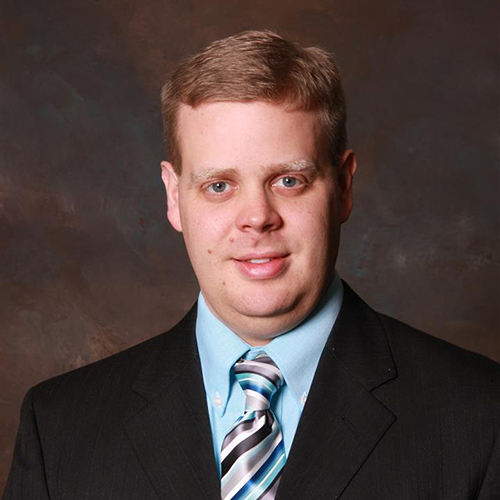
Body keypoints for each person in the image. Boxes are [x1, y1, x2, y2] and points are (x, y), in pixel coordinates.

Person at [3, 30, 499, 500]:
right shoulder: (60, 429)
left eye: (288, 180)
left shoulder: (480, 417)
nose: (257, 218)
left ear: (344, 186)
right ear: (174, 197)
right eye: (219, 185)